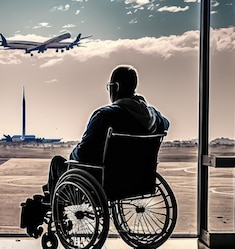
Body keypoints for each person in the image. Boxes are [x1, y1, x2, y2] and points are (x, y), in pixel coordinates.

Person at [43, 64, 170, 199]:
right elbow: (166, 123)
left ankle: (57, 208)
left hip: (104, 182)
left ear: (116, 87)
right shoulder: (154, 116)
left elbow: (84, 152)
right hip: (138, 179)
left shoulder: (105, 115)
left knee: (57, 162)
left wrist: (72, 157)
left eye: (110, 86)